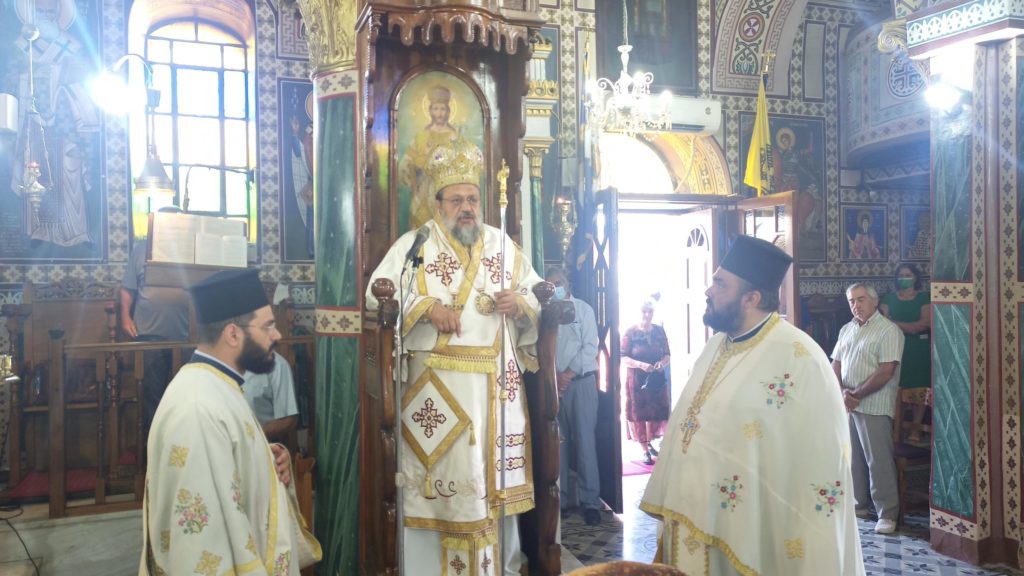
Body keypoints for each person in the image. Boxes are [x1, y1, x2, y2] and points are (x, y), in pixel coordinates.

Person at [366, 137, 542, 575]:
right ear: (438, 203)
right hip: (439, 392)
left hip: (495, 393)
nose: (467, 208)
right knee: (443, 491)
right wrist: (427, 307)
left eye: (473, 199)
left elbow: (537, 291)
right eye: (457, 200)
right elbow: (377, 295)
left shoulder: (502, 245)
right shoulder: (415, 245)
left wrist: (520, 303)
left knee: (491, 488)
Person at [640, 235, 865, 575]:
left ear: (752, 298)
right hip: (690, 511)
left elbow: (820, 458)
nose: (708, 291)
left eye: (720, 284)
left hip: (747, 528)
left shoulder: (800, 358)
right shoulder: (717, 345)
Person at [141, 268, 321, 574]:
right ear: (233, 334)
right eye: (267, 326)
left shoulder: (219, 385)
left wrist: (266, 458)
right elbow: (199, 544)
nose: (277, 336)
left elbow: (224, 465)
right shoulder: (197, 408)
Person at [832, 282, 904, 534]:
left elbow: (886, 371)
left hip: (874, 403)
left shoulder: (889, 330)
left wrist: (855, 394)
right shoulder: (847, 329)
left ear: (874, 301)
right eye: (851, 301)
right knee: (853, 458)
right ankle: (859, 505)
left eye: (861, 299)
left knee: (878, 460)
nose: (856, 305)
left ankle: (888, 513)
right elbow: (836, 364)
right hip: (849, 403)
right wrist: (843, 392)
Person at [120, 229, 191, 438]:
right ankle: (152, 448)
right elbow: (127, 288)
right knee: (152, 395)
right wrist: (125, 316)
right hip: (149, 334)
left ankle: (181, 446)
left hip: (185, 336)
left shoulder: (189, 250)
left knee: (185, 396)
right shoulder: (141, 250)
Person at [547, 266, 601, 525]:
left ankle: (591, 502)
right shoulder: (546, 313)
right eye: (551, 284)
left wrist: (567, 374)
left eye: (559, 282)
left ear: (566, 283)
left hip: (580, 383)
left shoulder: (583, 310)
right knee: (559, 444)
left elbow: (590, 347)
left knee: (585, 443)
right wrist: (554, 377)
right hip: (555, 385)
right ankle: (562, 500)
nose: (556, 287)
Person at [880, 263, 931, 443]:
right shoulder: (889, 299)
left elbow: (923, 325)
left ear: (915, 277)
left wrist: (894, 323)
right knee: (895, 385)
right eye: (900, 275)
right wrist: (907, 326)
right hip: (894, 347)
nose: (904, 278)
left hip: (917, 348)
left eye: (907, 275)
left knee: (919, 386)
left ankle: (916, 427)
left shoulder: (923, 299)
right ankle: (895, 427)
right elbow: (881, 323)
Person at [399, 85, 463, 231]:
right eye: (436, 108)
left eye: (442, 109)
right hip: (422, 192)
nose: (439, 113)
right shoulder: (421, 137)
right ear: (430, 110)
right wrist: (414, 165)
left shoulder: (455, 137)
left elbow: (462, 164)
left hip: (446, 192)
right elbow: (406, 162)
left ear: (448, 111)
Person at [620, 298, 671, 465]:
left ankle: (650, 443)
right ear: (638, 312)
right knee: (640, 415)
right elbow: (622, 357)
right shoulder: (630, 332)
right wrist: (641, 365)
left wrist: (661, 363)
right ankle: (644, 450)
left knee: (656, 412)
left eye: (650, 311)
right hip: (637, 381)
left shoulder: (659, 331)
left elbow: (667, 354)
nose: (647, 315)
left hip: (656, 380)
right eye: (644, 311)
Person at [242, 351, 299, 446]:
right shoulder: (225, 361)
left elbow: (288, 419)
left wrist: (256, 438)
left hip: (260, 446)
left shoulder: (278, 365)